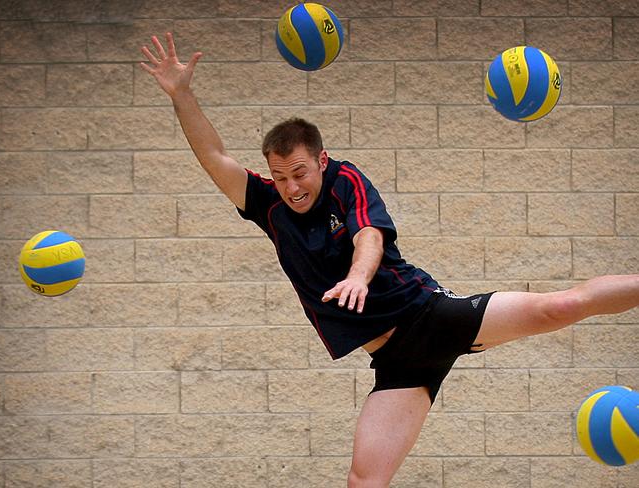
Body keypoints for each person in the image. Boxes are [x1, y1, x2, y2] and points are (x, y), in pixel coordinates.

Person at [141, 32, 639, 488]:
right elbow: (214, 157)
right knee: (364, 481)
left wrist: (358, 278)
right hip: (398, 362)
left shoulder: (344, 180)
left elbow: (369, 238)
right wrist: (181, 94)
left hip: (430, 316)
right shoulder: (268, 202)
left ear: (321, 159)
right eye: (281, 176)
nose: (292, 187)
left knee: (563, 306)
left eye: (299, 173)